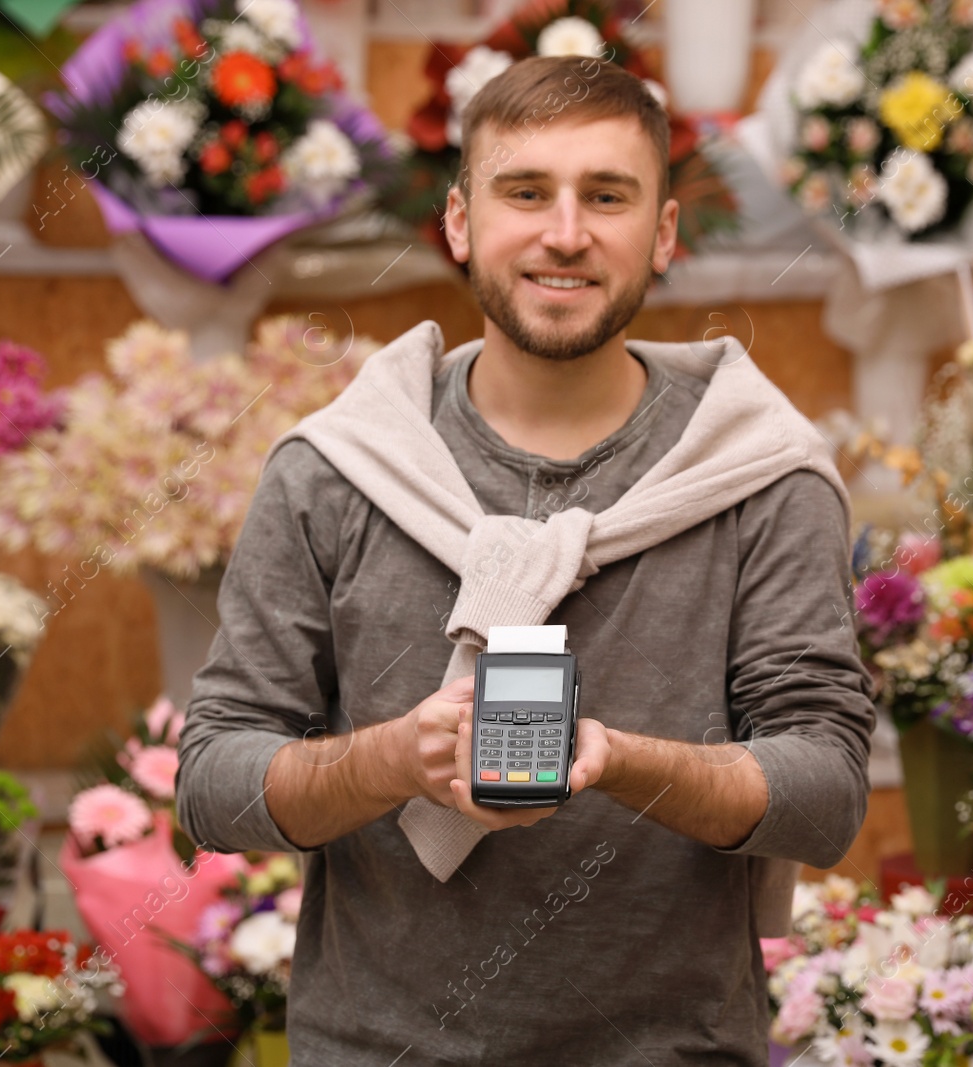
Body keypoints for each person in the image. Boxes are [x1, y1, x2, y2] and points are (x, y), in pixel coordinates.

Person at [176, 55, 875, 1065]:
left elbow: (825, 796)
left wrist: (624, 762)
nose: (564, 232)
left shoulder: (759, 474)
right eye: (525, 191)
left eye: (606, 195)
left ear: (663, 233)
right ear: (459, 221)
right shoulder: (334, 470)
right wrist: (389, 757)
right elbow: (211, 782)